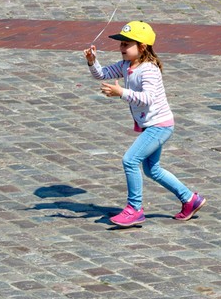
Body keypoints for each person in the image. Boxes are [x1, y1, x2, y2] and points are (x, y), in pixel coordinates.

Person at [84, 21, 206, 227]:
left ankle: (135, 209)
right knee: (152, 170)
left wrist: (121, 92)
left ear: (142, 47)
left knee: (130, 160)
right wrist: (92, 61)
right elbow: (102, 74)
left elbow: (147, 98)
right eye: (121, 44)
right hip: (152, 125)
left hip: (160, 126)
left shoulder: (149, 70)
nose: (121, 48)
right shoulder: (126, 65)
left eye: (126, 44)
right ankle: (190, 199)